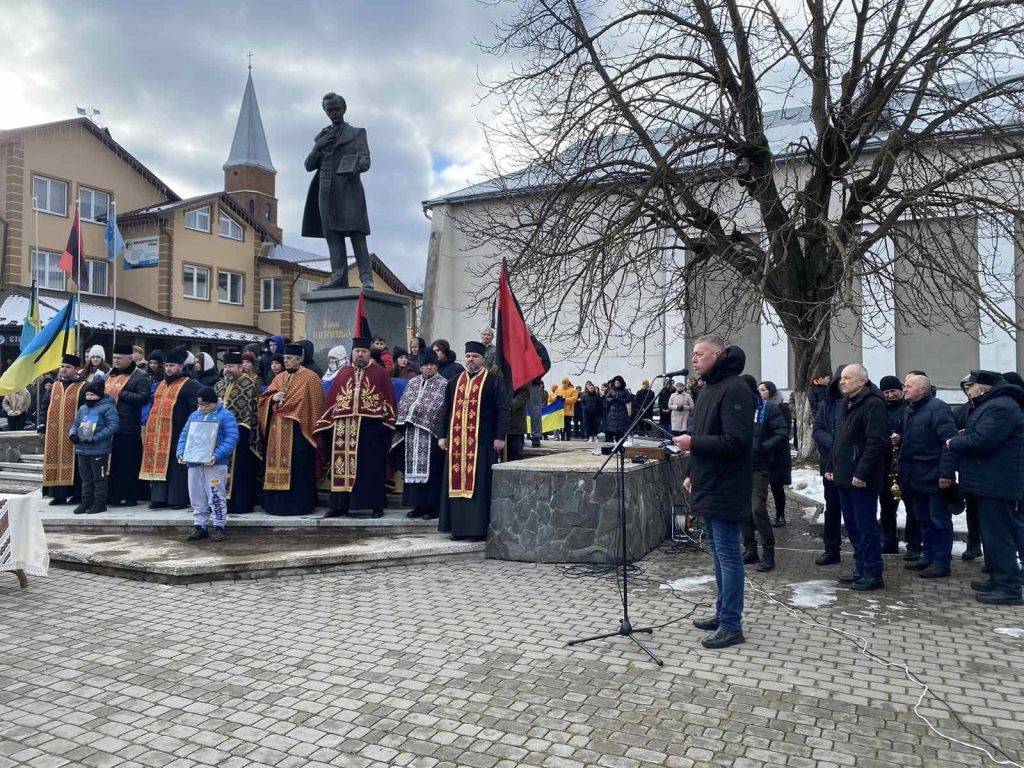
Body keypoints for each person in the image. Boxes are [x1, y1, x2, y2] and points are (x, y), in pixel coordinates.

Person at [674, 336, 753, 649]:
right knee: (719, 556)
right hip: (708, 482)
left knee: (729, 556)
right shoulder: (708, 388)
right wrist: (691, 471)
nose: (694, 359)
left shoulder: (735, 388)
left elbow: (736, 442)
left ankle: (732, 625)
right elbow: (702, 434)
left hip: (727, 486)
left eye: (700, 354)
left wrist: (693, 445)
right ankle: (723, 613)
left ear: (717, 355)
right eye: (693, 354)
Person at [948, 371, 1024, 606]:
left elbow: (983, 440)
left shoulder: (1000, 407)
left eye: (971, 387)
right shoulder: (990, 405)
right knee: (991, 536)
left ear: (984, 388)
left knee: (999, 536)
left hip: (996, 483)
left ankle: (1008, 587)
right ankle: (996, 577)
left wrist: (954, 442)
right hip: (986, 481)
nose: (968, 391)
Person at [315, 337, 396, 518]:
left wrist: (385, 423)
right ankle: (339, 506)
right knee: (341, 466)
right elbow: (332, 399)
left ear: (369, 354)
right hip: (343, 428)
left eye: (364, 352)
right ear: (352, 354)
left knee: (370, 467)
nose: (360, 355)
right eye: (357, 352)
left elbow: (389, 399)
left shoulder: (380, 373)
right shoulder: (343, 372)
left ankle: (375, 506)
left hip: (371, 427)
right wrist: (326, 423)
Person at [301, 91, 374, 289]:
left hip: (349, 191)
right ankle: (338, 276)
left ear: (343, 109)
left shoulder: (357, 133)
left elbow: (366, 161)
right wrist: (318, 147)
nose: (333, 113)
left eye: (336, 109)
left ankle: (366, 277)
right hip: (325, 192)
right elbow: (308, 165)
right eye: (329, 110)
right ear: (325, 111)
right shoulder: (322, 137)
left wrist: (354, 165)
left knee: (357, 234)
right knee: (333, 236)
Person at [438, 341, 510, 540]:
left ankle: (476, 529)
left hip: (482, 443)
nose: (471, 360)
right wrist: (442, 435)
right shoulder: (454, 381)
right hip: (456, 445)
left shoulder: (493, 381)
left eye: (475, 356)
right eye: (468, 356)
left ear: (483, 359)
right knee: (455, 485)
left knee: (479, 486)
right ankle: (457, 529)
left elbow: (503, 410)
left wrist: (500, 436)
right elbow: (445, 409)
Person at [826, 364, 888, 591]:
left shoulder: (873, 404)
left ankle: (873, 573)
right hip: (844, 476)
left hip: (862, 479)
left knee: (866, 526)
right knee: (852, 526)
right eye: (841, 378)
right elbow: (840, 440)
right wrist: (833, 466)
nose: (842, 382)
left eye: (848, 378)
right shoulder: (847, 403)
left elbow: (876, 442)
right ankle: (860, 568)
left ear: (862, 381)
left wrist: (862, 472)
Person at [894, 374, 957, 578]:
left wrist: (946, 473)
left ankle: (941, 562)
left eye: (909, 386)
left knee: (939, 520)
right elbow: (918, 438)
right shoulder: (910, 410)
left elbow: (948, 442)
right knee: (923, 519)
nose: (905, 389)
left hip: (934, 475)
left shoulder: (938, 408)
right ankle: (928, 555)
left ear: (922, 389)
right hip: (915, 476)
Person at [259, 343, 326, 516]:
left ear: (299, 359)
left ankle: (299, 505)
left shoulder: (311, 378)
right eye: (285, 358)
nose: (286, 361)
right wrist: (273, 398)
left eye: (290, 358)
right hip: (277, 429)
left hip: (300, 431)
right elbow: (263, 399)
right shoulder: (279, 377)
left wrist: (300, 414)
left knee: (299, 467)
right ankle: (275, 505)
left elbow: (317, 406)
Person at [140, 347, 202, 509]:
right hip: (159, 432)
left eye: (172, 366)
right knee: (159, 463)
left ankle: (177, 499)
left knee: (176, 466)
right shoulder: (161, 384)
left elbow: (194, 410)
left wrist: (188, 430)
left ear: (181, 367)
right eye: (166, 366)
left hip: (179, 431)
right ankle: (158, 498)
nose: (168, 369)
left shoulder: (190, 385)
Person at [391, 349, 448, 517]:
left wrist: (421, 416)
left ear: (436, 366)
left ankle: (433, 508)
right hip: (411, 433)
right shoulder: (413, 382)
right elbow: (405, 402)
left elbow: (441, 408)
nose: (428, 368)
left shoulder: (443, 384)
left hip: (431, 435)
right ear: (420, 367)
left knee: (433, 472)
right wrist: (406, 417)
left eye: (431, 365)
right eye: (425, 365)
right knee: (412, 471)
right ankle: (417, 506)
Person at [178, 387, 239, 542]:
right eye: (199, 405)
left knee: (216, 495)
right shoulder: (194, 415)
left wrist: (217, 455)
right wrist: (180, 453)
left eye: (205, 405)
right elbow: (184, 435)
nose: (202, 408)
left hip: (215, 463)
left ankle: (219, 525)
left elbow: (232, 437)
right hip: (194, 462)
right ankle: (200, 525)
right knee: (196, 495)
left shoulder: (225, 416)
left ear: (214, 403)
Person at [741, 375, 788, 572]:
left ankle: (769, 552)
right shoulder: (738, 408)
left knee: (757, 509)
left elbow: (782, 432)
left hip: (759, 465)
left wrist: (763, 447)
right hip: (740, 466)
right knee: (743, 510)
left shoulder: (767, 408)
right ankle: (750, 549)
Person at [215, 352, 262, 516]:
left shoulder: (249, 384)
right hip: (219, 436)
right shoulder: (219, 385)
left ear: (240, 367)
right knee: (220, 470)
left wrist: (244, 429)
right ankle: (221, 502)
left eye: (231, 366)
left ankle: (240, 504)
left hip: (242, 434)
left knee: (240, 471)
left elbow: (253, 411)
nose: (228, 369)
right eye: (226, 366)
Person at [105, 344, 153, 507]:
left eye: (119, 358)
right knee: (113, 465)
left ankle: (131, 496)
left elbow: (143, 398)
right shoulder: (110, 375)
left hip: (128, 427)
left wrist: (120, 392)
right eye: (114, 358)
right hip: (109, 426)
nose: (116, 361)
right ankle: (113, 496)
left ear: (129, 358)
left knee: (128, 463)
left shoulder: (140, 376)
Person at [40, 354, 87, 506]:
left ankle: (77, 495)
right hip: (54, 432)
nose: (64, 369)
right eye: (62, 366)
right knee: (55, 459)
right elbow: (44, 406)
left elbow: (88, 409)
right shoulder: (54, 386)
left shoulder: (83, 386)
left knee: (76, 463)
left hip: (75, 433)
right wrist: (42, 424)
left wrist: (84, 432)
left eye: (68, 367)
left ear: (77, 369)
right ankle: (58, 495)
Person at [68, 379, 119, 515]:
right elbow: (75, 423)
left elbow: (113, 425)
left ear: (99, 395)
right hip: (82, 448)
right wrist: (72, 434)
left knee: (99, 478)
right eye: (87, 395)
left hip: (99, 449)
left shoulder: (108, 407)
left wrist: (96, 438)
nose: (89, 398)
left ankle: (99, 503)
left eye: (92, 395)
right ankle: (86, 501)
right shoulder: (83, 408)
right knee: (86, 478)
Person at [812, 365, 845, 566]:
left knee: (854, 512)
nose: (843, 384)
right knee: (832, 508)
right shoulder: (827, 404)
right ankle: (831, 548)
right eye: (841, 381)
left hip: (852, 466)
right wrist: (833, 443)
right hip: (830, 465)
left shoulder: (863, 404)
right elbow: (817, 429)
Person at [878, 375, 909, 556]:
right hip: (885, 466)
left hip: (906, 465)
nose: (890, 395)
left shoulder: (908, 409)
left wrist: (901, 438)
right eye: (886, 392)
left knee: (912, 508)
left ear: (901, 390)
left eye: (893, 391)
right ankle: (889, 542)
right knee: (887, 508)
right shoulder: (880, 409)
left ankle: (914, 545)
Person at [759, 381, 792, 528]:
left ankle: (780, 515)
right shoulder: (758, 408)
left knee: (776, 487)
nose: (761, 393)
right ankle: (760, 515)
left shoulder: (782, 407)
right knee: (760, 486)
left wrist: (769, 443)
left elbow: (783, 431)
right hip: (761, 452)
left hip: (778, 453)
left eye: (763, 390)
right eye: (759, 390)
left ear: (771, 391)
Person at [602, 376, 632, 443]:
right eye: (616, 383)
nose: (617, 384)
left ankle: (620, 448)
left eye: (618, 383)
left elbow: (629, 399)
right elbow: (607, 398)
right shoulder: (611, 390)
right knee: (610, 432)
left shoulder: (625, 391)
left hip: (621, 413)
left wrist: (620, 400)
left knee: (620, 433)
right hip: (612, 413)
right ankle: (611, 448)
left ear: (621, 383)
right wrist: (612, 399)